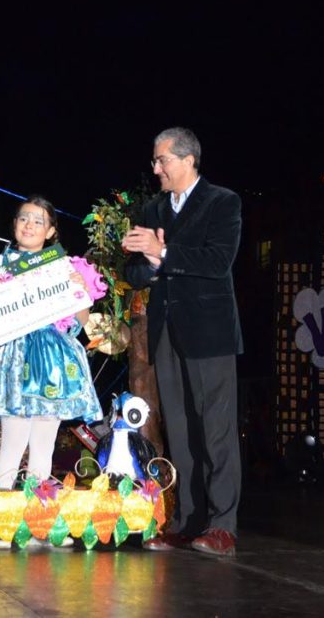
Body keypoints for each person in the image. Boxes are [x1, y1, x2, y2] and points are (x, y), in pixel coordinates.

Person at [121, 126, 243, 557]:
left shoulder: (223, 202)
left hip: (210, 333)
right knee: (181, 429)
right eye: (155, 161)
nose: (156, 169)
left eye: (163, 161)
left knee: (216, 431)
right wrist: (150, 261)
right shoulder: (153, 208)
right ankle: (188, 522)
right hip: (166, 333)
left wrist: (165, 254)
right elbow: (134, 272)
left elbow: (218, 261)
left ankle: (222, 525)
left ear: (189, 160)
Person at [0, 197, 104, 499]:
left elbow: (79, 322)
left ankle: (36, 521)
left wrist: (76, 289)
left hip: (53, 361)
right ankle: (2, 524)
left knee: (44, 444)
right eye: (23, 219)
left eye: (38, 221)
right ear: (14, 224)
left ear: (51, 232)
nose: (29, 225)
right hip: (12, 359)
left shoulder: (64, 267)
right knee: (13, 442)